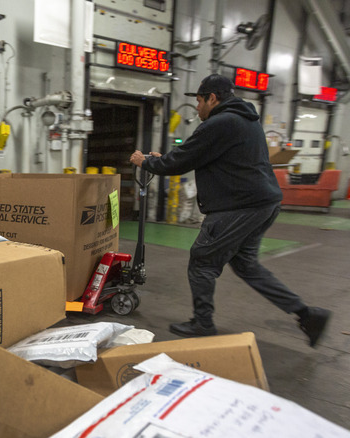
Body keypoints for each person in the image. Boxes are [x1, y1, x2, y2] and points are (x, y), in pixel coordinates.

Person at [129, 74, 331, 348]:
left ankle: (203, 322)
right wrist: (162, 159)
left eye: (200, 101)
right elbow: (196, 155)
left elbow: (181, 160)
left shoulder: (220, 122)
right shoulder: (245, 120)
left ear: (213, 98)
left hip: (239, 208)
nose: (198, 108)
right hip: (263, 204)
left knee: (202, 262)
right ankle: (307, 314)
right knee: (246, 265)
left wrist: (146, 162)